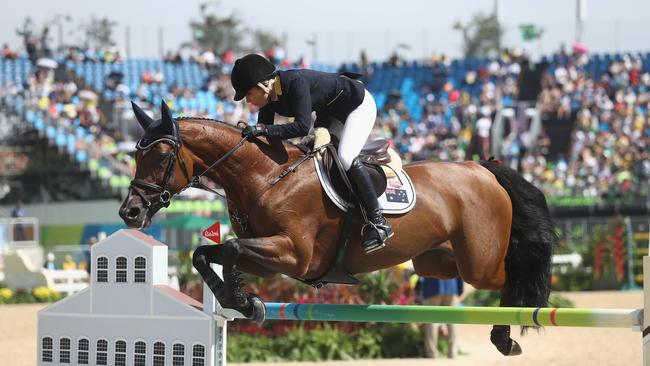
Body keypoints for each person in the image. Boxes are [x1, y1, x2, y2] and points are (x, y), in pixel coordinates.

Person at [230, 53, 393, 254]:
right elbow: (268, 138)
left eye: (248, 94)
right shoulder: (269, 98)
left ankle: (379, 222)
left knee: (345, 157)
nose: (248, 101)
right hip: (330, 112)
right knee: (311, 159)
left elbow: (301, 127)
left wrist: (263, 130)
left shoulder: (294, 82)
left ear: (262, 85)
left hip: (357, 106)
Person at [416, 276, 464, 358]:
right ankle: (452, 351)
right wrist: (459, 289)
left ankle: (432, 353)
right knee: (452, 321)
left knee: (431, 321)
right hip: (451, 286)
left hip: (432, 287)